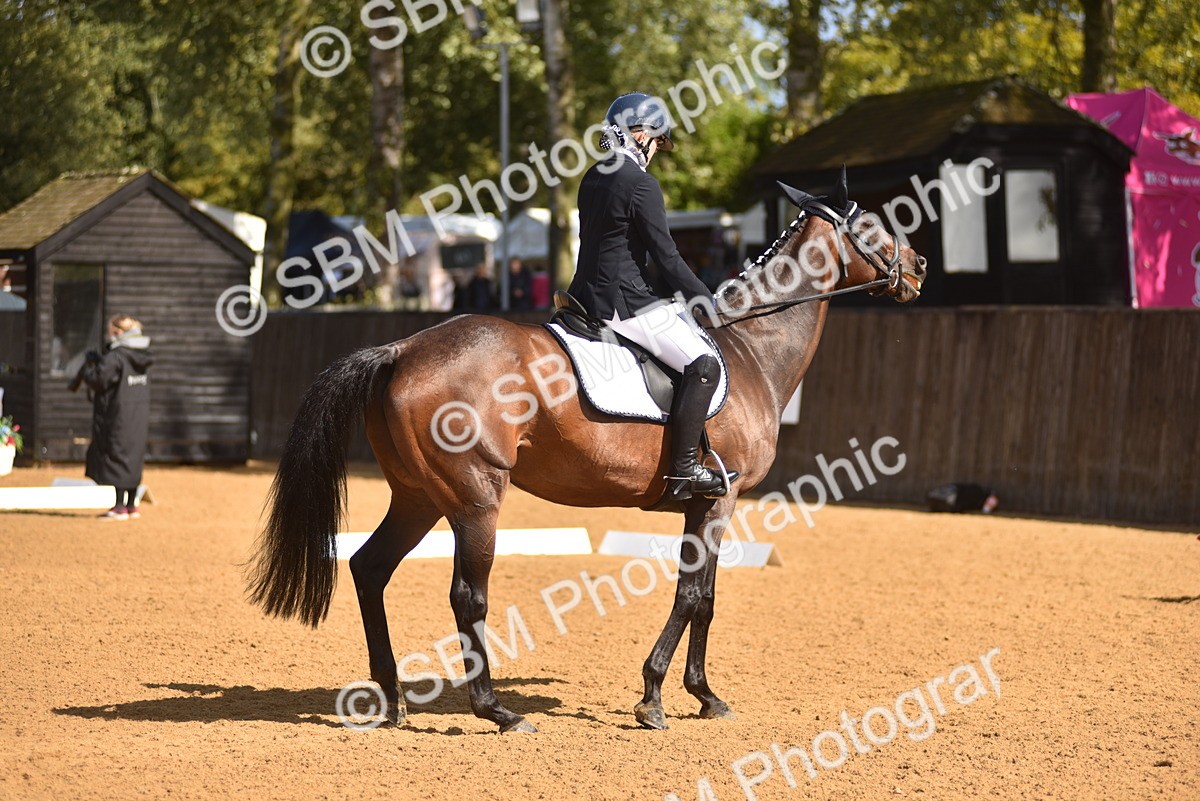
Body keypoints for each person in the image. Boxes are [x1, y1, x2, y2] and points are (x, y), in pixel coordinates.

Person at [568, 92, 739, 501]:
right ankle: (685, 472)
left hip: (581, 296)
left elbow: (612, 245)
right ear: (641, 134)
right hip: (622, 304)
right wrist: (706, 301)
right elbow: (667, 258)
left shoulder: (593, 175)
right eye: (659, 141)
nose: (658, 150)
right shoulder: (641, 183)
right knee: (703, 365)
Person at [80, 315, 154, 520]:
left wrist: (89, 366)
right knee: (133, 455)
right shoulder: (143, 355)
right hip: (139, 415)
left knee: (116, 454)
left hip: (117, 415)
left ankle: (119, 506)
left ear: (118, 333)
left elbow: (98, 380)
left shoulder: (116, 356)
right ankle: (131, 505)